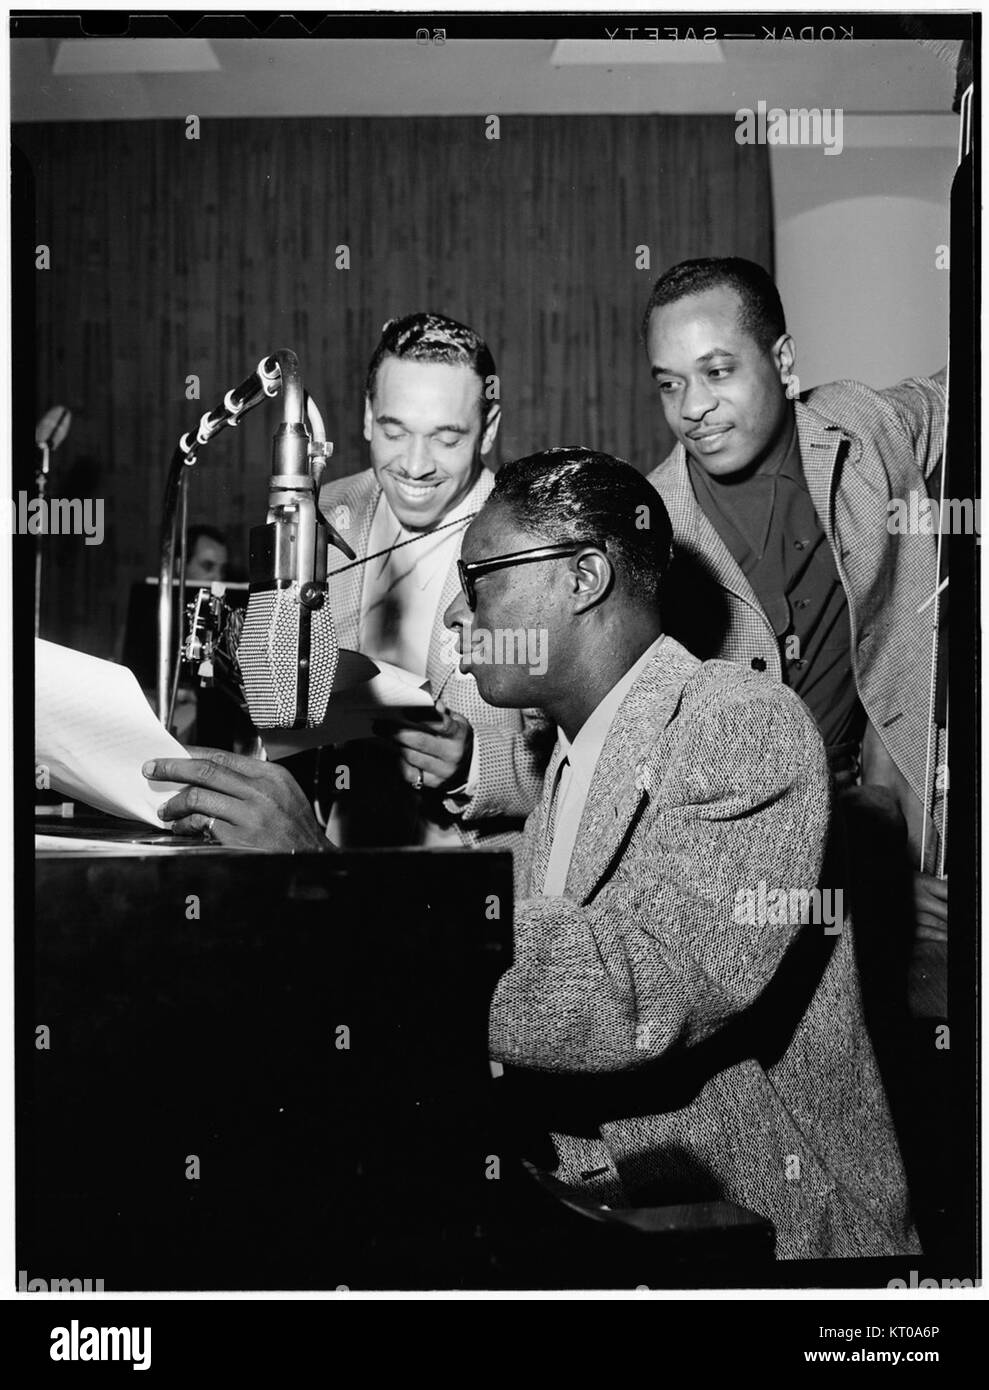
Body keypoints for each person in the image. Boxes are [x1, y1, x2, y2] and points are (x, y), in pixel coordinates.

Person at [144, 448, 918, 1260]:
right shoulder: (580, 750)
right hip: (608, 1206)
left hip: (756, 1236)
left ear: (584, 578)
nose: (453, 615)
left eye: (478, 579)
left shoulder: (741, 725)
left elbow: (634, 995)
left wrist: (318, 872)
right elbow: (493, 914)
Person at [640, 258, 947, 945]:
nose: (691, 407)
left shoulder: (862, 428)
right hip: (745, 863)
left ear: (781, 361)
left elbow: (965, 389)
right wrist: (877, 895)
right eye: (669, 383)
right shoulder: (652, 532)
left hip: (900, 809)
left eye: (717, 372)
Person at [314, 311, 548, 852]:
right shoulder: (326, 511)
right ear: (368, 417)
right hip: (331, 859)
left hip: (472, 892)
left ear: (488, 430)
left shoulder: (537, 543)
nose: (415, 466)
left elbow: (582, 765)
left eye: (446, 439)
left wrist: (473, 763)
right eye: (395, 432)